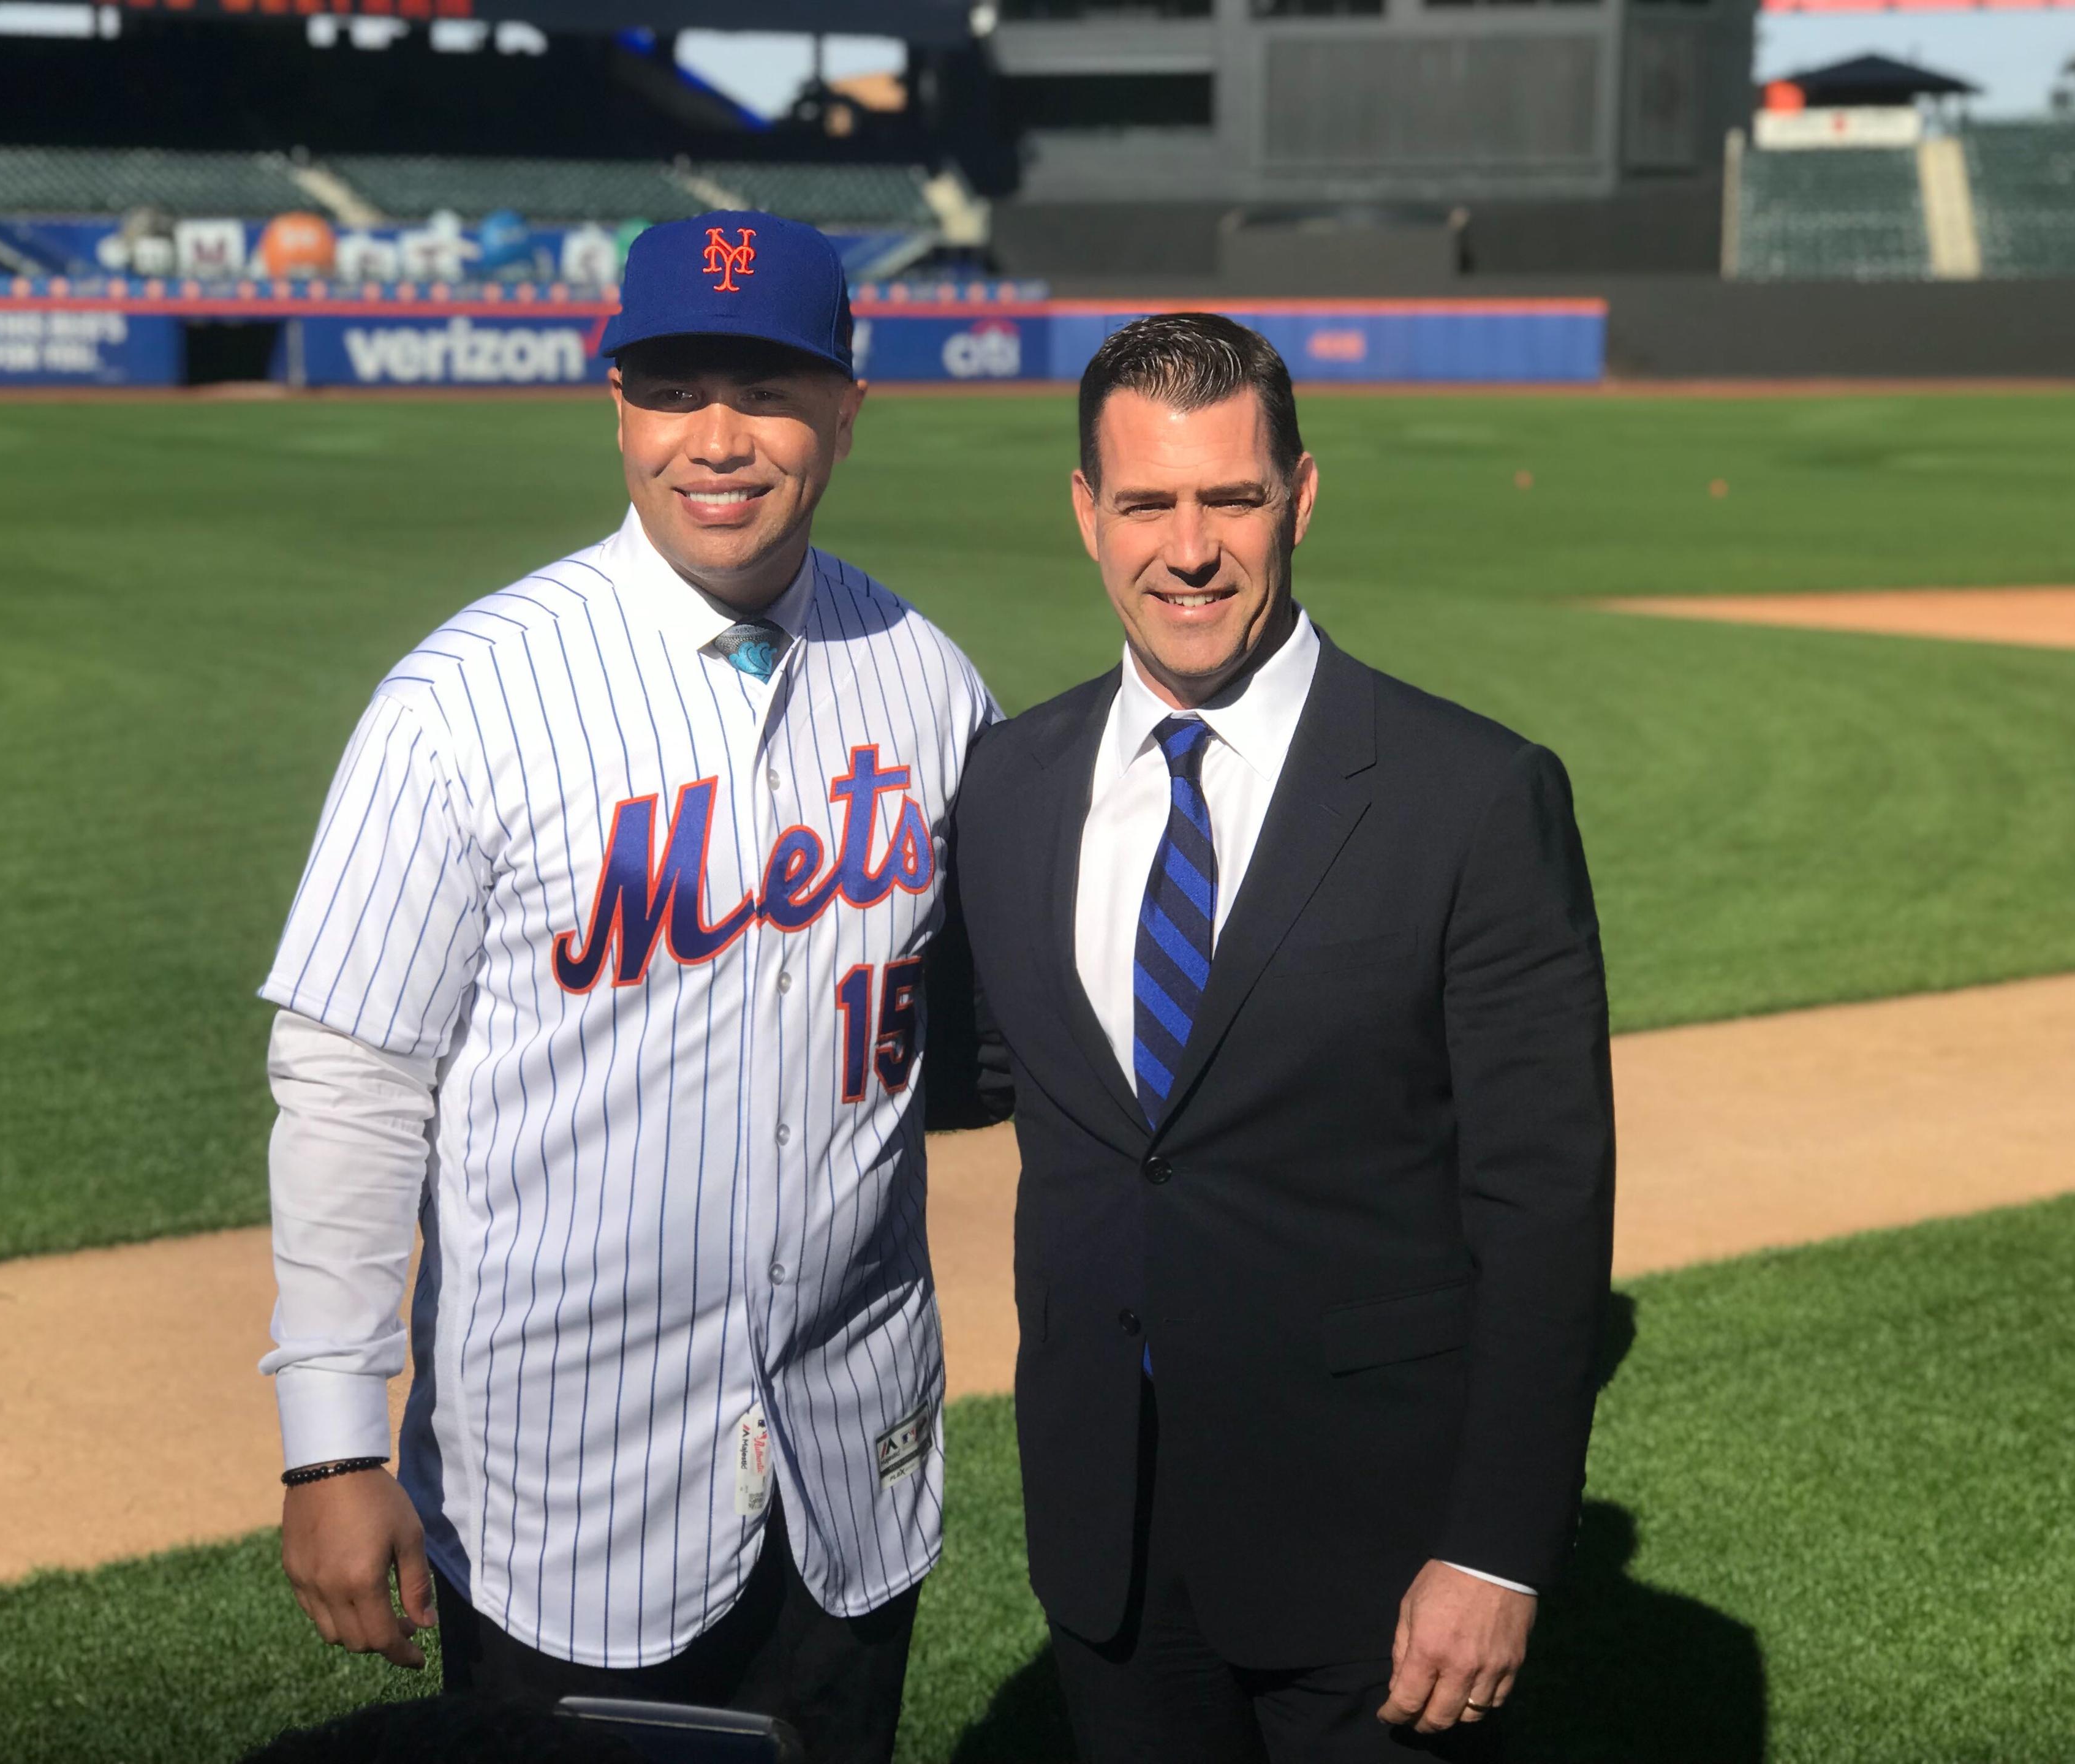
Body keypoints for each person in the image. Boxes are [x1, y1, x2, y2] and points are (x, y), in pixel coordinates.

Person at [255, 210, 997, 1764]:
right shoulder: (464, 701)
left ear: (848, 411)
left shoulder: (926, 677)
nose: (717, 439)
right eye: (673, 389)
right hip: (566, 1496)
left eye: (770, 388)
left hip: (851, 1469)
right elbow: (351, 1081)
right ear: (616, 408)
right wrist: (329, 1448)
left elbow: (980, 1024)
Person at [950, 312, 1616, 1763]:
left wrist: (1498, 1551)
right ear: (1086, 513)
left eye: (1229, 499)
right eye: (1145, 503)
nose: (1187, 549)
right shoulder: (1005, 784)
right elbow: (985, 1076)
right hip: (1107, 1550)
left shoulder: (1475, 796)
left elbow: (1544, 1204)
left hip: (1378, 1564)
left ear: (1299, 497)